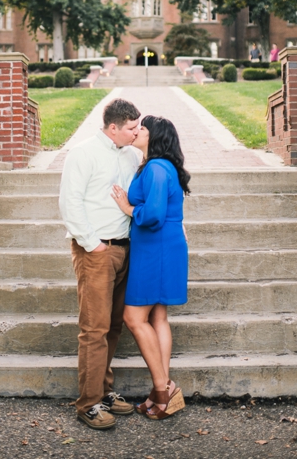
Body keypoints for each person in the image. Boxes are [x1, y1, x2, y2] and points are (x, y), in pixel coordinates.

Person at [59, 98, 142, 430]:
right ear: (113, 128)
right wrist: (92, 245)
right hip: (96, 251)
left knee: (113, 326)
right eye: (132, 128)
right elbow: (70, 201)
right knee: (94, 329)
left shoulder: (132, 155)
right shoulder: (83, 153)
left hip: (125, 249)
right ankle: (88, 403)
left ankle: (104, 392)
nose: (138, 133)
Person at [111, 115, 190, 420]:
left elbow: (154, 214)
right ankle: (163, 393)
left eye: (142, 128)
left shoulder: (157, 167)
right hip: (161, 245)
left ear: (154, 136)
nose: (137, 131)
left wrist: (127, 208)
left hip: (156, 246)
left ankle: (162, 389)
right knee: (158, 316)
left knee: (133, 317)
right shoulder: (157, 165)